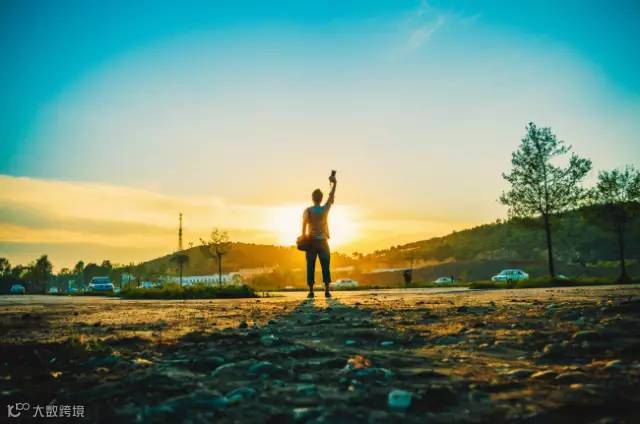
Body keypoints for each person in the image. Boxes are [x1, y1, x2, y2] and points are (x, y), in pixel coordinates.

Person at [301, 173, 337, 298]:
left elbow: (304, 225)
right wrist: (335, 183)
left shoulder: (308, 210)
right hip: (323, 242)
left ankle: (311, 291)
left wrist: (303, 237)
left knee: (310, 266)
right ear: (321, 199)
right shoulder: (325, 209)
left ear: (312, 198)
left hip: (311, 242)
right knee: (325, 266)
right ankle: (327, 290)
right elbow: (331, 197)